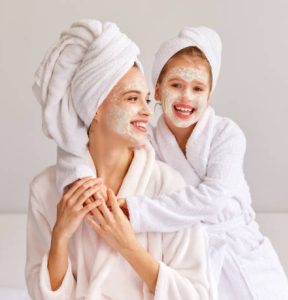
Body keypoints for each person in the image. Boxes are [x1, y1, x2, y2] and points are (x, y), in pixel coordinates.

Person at [25, 19, 210, 300]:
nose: (147, 112)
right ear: (95, 107)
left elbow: (197, 295)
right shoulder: (47, 190)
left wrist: (127, 245)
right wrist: (60, 237)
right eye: (132, 98)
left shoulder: (168, 186)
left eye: (147, 100)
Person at [121, 26, 288, 299]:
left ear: (210, 95)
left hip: (239, 248)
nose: (186, 97)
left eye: (197, 88)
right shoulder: (149, 143)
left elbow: (212, 198)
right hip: (188, 254)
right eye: (176, 85)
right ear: (157, 90)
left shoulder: (227, 134)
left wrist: (137, 211)